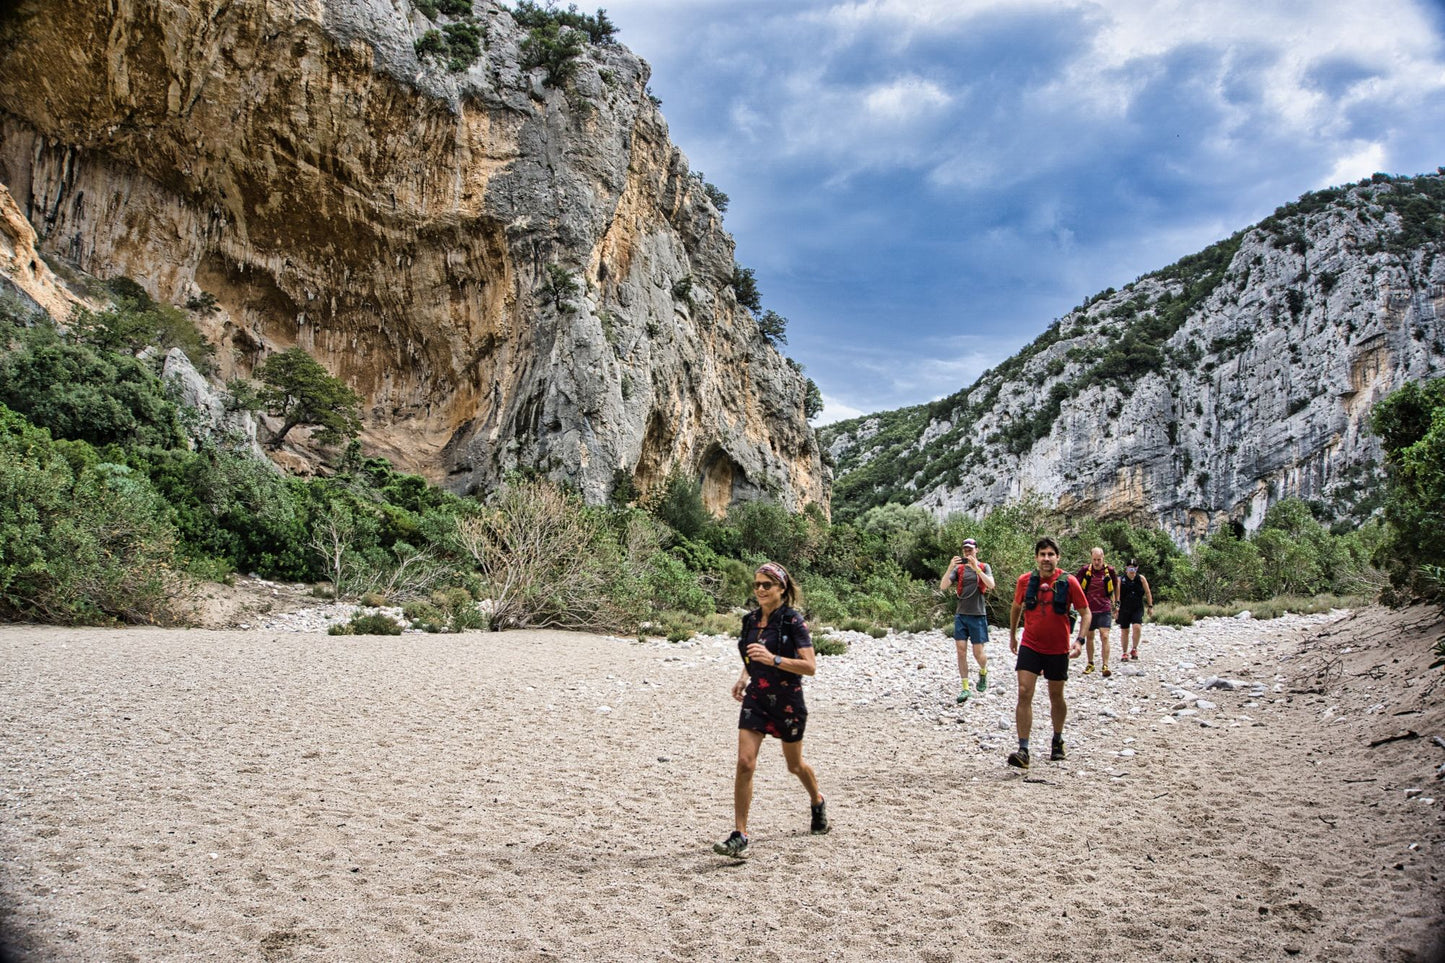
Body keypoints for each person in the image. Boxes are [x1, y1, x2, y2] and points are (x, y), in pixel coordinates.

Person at [713, 562, 830, 860]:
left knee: (794, 765)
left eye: (767, 584)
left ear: (782, 588)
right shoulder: (749, 620)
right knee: (744, 762)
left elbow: (810, 667)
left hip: (788, 701)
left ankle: (816, 800)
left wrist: (773, 659)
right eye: (757, 585)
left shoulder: (793, 621)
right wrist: (744, 675)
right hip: (757, 699)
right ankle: (740, 834)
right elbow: (753, 655)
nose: (761, 590)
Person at [1008, 537, 1090, 768]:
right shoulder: (1025, 581)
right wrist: (1012, 635)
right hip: (1030, 645)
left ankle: (1057, 739)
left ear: (1057, 557)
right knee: (1024, 691)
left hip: (1058, 648)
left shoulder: (1069, 581)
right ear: (1036, 558)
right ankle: (1023, 749)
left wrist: (1080, 641)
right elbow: (1016, 607)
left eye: (1050, 554)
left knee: (1056, 695)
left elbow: (1086, 613)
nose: (1046, 559)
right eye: (1042, 554)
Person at [939, 537, 996, 703]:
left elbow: (991, 585)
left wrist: (976, 569)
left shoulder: (985, 567)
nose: (967, 552)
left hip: (978, 615)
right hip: (961, 614)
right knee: (961, 650)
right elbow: (943, 586)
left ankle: (983, 671)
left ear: (976, 550)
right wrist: (951, 566)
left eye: (970, 549)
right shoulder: (959, 570)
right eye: (965, 549)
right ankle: (965, 688)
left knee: (978, 653)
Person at [1074, 547, 1119, 677]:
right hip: (1088, 609)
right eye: (1094, 560)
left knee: (1105, 635)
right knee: (1089, 636)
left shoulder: (1109, 571)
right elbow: (1075, 586)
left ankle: (1105, 665)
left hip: (1104, 607)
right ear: (1091, 558)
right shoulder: (1084, 570)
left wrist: (1117, 604)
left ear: (1103, 558)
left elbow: (1116, 586)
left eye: (1099, 560)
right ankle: (1090, 663)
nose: (1097, 562)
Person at [1115, 559, 1154, 662]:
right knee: (1125, 630)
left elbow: (1148, 592)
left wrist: (1150, 606)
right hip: (1124, 608)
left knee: (1137, 627)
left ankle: (1134, 648)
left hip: (1137, 607)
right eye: (1130, 568)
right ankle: (1124, 652)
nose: (1132, 571)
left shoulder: (1141, 579)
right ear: (1126, 568)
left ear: (1137, 569)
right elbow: (1117, 595)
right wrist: (1116, 607)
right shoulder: (1121, 580)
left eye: (1134, 568)